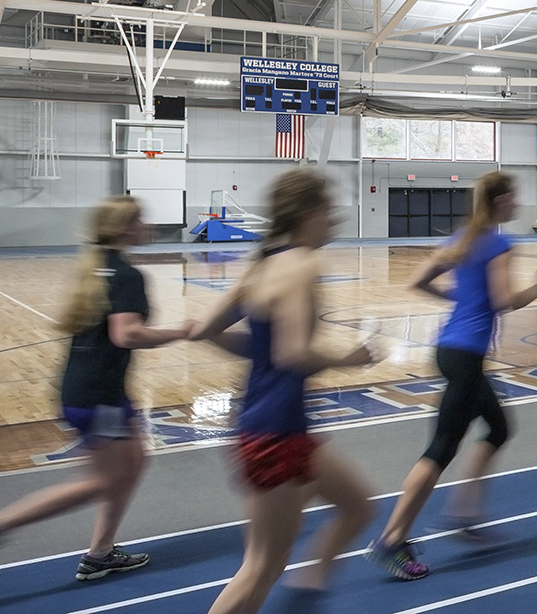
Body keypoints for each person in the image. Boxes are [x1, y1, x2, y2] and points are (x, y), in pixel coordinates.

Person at [195, 169, 378, 614]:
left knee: (357, 506)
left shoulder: (261, 266)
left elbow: (207, 330)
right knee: (259, 568)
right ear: (308, 213)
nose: (334, 221)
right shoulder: (301, 265)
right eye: (329, 211)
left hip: (279, 428)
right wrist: (348, 359)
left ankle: (310, 584)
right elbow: (293, 354)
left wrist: (261, 352)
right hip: (276, 434)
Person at [366, 172, 537, 580]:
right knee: (441, 448)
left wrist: (458, 298)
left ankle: (464, 512)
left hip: (450, 350)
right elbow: (504, 301)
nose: (517, 201)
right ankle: (391, 538)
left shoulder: (459, 239)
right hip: (466, 356)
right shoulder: (498, 243)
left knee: (499, 428)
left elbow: (418, 281)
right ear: (501, 200)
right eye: (514, 195)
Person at [0, 196, 191, 581]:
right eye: (141, 220)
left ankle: (101, 552)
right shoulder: (126, 275)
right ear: (125, 227)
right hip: (99, 398)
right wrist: (180, 332)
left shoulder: (96, 266)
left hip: (92, 389)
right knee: (101, 482)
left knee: (135, 461)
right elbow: (127, 334)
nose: (148, 226)